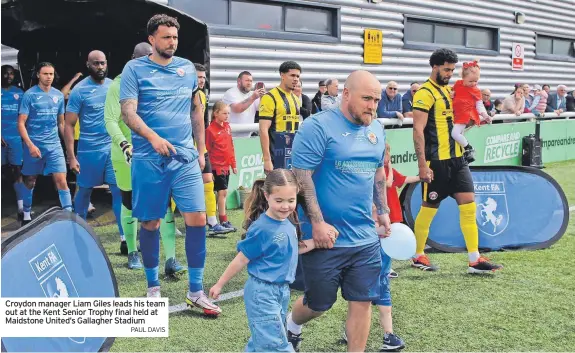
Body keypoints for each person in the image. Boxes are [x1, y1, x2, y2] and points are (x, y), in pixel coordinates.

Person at [119, 14, 221, 316]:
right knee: (150, 223)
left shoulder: (187, 68)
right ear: (152, 39)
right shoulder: (134, 69)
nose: (172, 43)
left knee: (198, 219)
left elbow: (196, 110)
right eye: (166, 37)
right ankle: (153, 289)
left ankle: (196, 291)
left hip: (185, 159)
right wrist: (152, 138)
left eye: (175, 38)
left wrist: (200, 149)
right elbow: (128, 112)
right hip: (149, 159)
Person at [286, 70, 391, 352]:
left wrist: (382, 210)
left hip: (365, 238)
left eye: (377, 100)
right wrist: (317, 223)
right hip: (325, 237)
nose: (372, 106)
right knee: (319, 303)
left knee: (363, 300)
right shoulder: (317, 127)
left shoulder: (377, 129)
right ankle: (292, 325)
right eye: (367, 98)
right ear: (346, 94)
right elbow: (301, 176)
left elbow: (378, 171)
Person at [411, 48, 502, 273]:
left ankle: (474, 259)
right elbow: (418, 130)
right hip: (436, 162)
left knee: (469, 206)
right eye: (446, 69)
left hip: (458, 160)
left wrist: (477, 120)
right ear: (434, 67)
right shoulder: (424, 93)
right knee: (429, 208)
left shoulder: (452, 91)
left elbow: (457, 123)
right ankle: (418, 254)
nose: (450, 73)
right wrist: (422, 165)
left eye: (452, 69)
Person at [209, 169, 315, 352]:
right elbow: (241, 259)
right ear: (267, 196)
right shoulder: (262, 229)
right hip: (262, 293)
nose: (286, 206)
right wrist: (219, 284)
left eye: (291, 201)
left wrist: (319, 242)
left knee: (261, 341)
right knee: (276, 345)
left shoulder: (288, 222)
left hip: (281, 292)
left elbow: (292, 249)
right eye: (279, 201)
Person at [105, 42, 186, 274]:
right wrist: (124, 145)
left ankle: (171, 259)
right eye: (142, 59)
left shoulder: (161, 82)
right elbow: (110, 120)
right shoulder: (118, 85)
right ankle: (132, 251)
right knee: (129, 203)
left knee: (165, 206)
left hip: (156, 153)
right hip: (127, 156)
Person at [64, 51, 125, 246]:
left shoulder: (113, 86)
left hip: (112, 148)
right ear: (88, 65)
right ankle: (78, 235)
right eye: (96, 63)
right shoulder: (79, 91)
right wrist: (71, 157)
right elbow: (68, 125)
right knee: (84, 192)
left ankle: (125, 240)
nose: (100, 67)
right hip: (89, 150)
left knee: (118, 191)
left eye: (103, 63)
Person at [18, 62, 72, 225]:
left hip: (54, 145)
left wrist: (69, 149)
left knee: (62, 180)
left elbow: (61, 124)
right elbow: (21, 123)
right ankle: (26, 213)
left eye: (51, 74)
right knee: (30, 180)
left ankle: (69, 216)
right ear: (38, 75)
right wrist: (30, 145)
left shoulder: (58, 96)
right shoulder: (29, 95)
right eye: (45, 74)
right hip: (34, 145)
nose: (49, 77)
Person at [194, 63, 232, 235]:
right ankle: (169, 220)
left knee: (209, 182)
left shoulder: (202, 95)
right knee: (175, 187)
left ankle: (212, 222)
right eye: (198, 77)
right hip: (185, 146)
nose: (201, 80)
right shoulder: (182, 94)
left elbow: (200, 123)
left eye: (203, 77)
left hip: (199, 147)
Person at [258, 61, 302, 174]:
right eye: (292, 75)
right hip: (276, 153)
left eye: (297, 76)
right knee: (277, 189)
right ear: (282, 76)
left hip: (293, 153)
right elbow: (263, 130)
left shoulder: (296, 99)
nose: (296, 79)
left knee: (292, 189)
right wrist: (267, 159)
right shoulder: (270, 97)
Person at [451, 60, 492, 163]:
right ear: (463, 77)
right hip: (456, 113)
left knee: (455, 134)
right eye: (471, 81)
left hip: (466, 115)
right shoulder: (458, 84)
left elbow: (479, 105)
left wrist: (485, 115)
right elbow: (452, 92)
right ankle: (462, 153)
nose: (473, 84)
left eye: (476, 81)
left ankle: (468, 148)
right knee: (457, 134)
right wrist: (451, 94)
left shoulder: (476, 90)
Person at [206, 101, 238, 232]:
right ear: (215, 113)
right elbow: (207, 150)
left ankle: (222, 219)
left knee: (222, 193)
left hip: (225, 166)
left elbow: (230, 147)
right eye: (224, 113)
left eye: (228, 113)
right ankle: (218, 220)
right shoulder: (210, 130)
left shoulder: (227, 127)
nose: (227, 116)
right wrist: (208, 169)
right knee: (220, 192)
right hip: (215, 167)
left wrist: (233, 164)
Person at [2, 65, 25, 220]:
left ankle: (21, 208)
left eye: (11, 74)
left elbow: (24, 117)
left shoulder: (19, 94)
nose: (8, 76)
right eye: (5, 73)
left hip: (15, 138)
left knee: (18, 171)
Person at [223, 71, 265, 137]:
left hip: (248, 135)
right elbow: (237, 109)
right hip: (231, 135)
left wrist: (262, 97)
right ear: (239, 81)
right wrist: (253, 97)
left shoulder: (253, 94)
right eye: (247, 80)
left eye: (251, 81)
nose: (249, 83)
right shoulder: (231, 93)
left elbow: (262, 109)